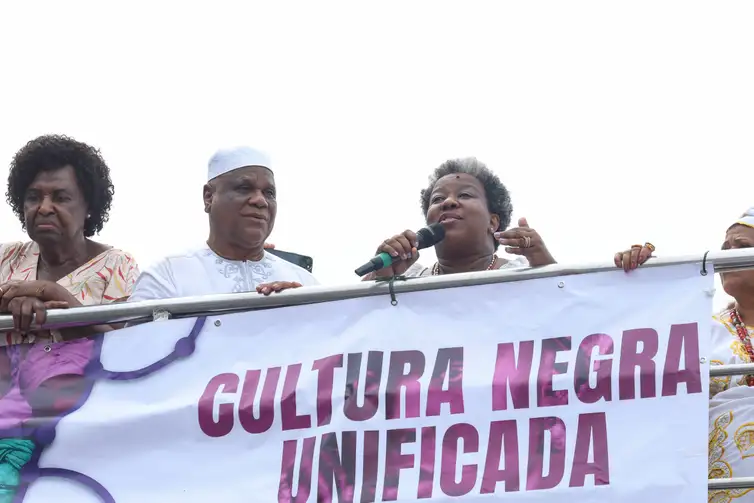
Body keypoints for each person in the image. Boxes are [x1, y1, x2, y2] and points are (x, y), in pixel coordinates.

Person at [0, 134, 139, 502]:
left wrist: (55, 298)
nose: (44, 207)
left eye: (60, 197)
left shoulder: (117, 266)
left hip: (80, 430)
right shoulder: (5, 260)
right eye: (34, 197)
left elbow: (129, 347)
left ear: (88, 206)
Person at [615, 209, 754, 501]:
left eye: (742, 247)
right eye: (725, 248)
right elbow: (623, 361)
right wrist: (641, 284)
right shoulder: (699, 330)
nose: (728, 255)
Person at [128, 146, 317, 302]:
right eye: (244, 188)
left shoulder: (306, 284)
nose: (261, 201)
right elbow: (138, 344)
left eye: (269, 193)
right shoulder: (167, 277)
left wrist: (301, 314)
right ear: (209, 197)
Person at [363, 157, 557, 280]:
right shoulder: (411, 279)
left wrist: (546, 268)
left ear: (493, 222)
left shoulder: (522, 275)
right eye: (437, 199)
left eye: (465, 195)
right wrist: (380, 278)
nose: (448, 202)